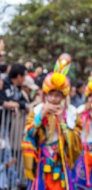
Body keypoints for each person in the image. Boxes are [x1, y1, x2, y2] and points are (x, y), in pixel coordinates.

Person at [21, 54, 82, 190]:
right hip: (43, 158)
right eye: (51, 95)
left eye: (57, 95)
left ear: (63, 96)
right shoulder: (37, 110)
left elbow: (75, 142)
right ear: (46, 94)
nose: (53, 99)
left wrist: (61, 120)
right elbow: (28, 134)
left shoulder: (71, 112)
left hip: (61, 160)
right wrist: (41, 115)